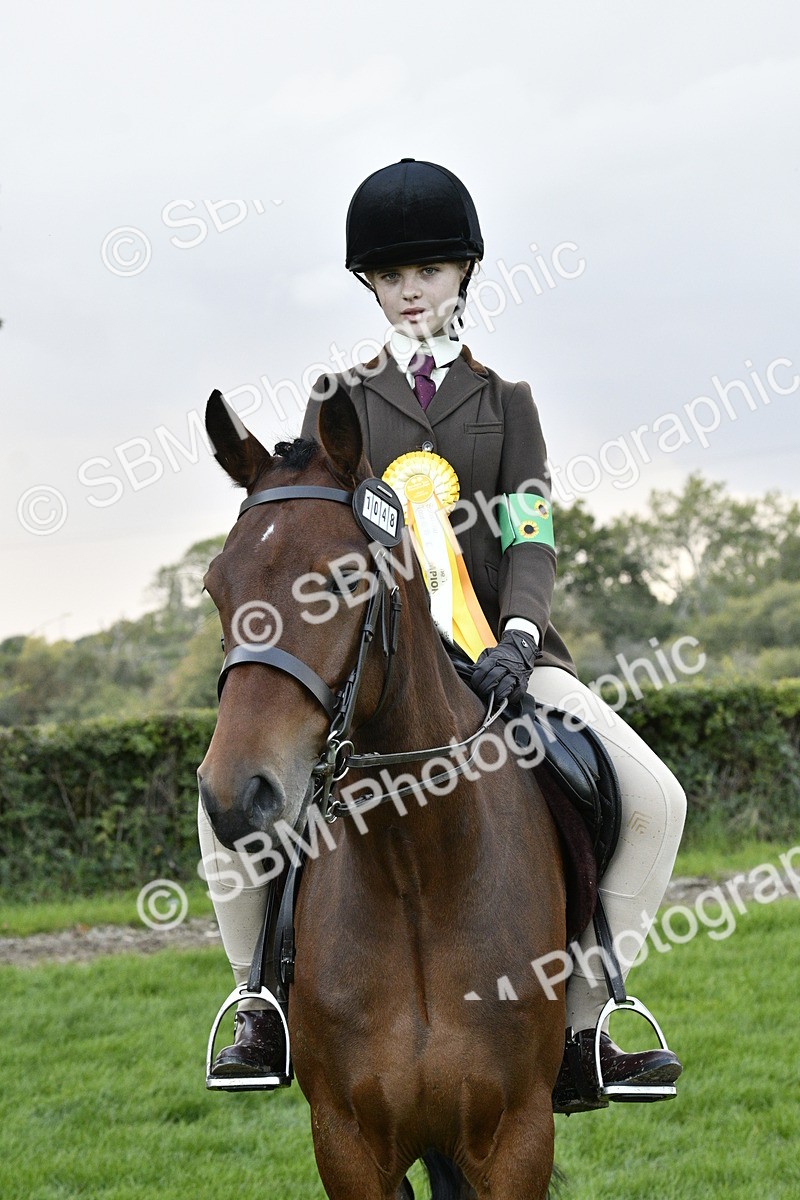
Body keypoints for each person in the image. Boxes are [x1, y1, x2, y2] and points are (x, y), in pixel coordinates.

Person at [201, 158, 687, 1112]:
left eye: (428, 269)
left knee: (655, 801)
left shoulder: (509, 406)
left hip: (508, 657)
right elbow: (313, 537)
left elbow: (531, 535)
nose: (410, 288)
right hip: (375, 670)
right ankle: (259, 1001)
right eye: (390, 275)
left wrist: (517, 633)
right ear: (371, 287)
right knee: (228, 814)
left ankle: (588, 1024)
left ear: (464, 271)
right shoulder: (337, 401)